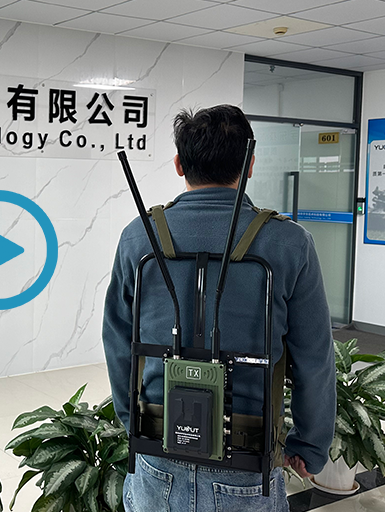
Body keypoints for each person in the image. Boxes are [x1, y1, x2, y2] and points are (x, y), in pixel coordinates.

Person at [103, 105, 335, 512]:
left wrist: (131, 422)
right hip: (248, 461)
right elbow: (314, 359)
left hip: (156, 449)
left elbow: (119, 341)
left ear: (179, 164)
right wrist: (309, 446)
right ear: (250, 165)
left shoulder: (139, 237)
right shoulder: (289, 243)